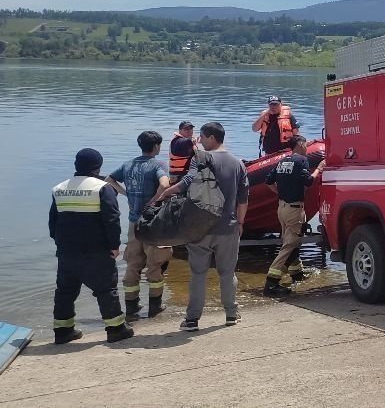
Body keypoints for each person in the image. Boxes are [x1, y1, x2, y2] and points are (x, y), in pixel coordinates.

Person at [155, 122, 249, 331]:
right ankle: (231, 315)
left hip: (199, 228)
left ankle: (192, 320)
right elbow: (243, 198)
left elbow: (188, 181)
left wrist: (168, 192)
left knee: (198, 274)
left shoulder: (201, 158)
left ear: (212, 138)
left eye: (203, 137)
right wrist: (240, 223)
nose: (200, 141)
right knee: (227, 272)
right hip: (228, 226)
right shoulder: (238, 163)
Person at [49, 148, 133, 344]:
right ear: (98, 167)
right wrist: (114, 245)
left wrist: (59, 243)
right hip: (96, 251)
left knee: (65, 291)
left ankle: (62, 332)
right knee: (106, 289)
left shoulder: (59, 189)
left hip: (67, 251)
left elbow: (53, 222)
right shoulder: (102, 188)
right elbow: (112, 219)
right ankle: (115, 329)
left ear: (76, 165)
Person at [106, 131, 172, 321]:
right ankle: (155, 307)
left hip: (134, 221)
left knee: (133, 263)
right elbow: (165, 184)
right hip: (153, 223)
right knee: (155, 263)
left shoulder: (128, 165)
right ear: (157, 147)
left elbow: (109, 179)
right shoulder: (158, 164)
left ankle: (132, 308)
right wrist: (154, 200)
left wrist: (125, 193)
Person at [263, 135, 325, 296]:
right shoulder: (301, 161)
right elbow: (308, 181)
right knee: (290, 245)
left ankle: (296, 273)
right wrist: (319, 168)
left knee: (292, 241)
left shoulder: (283, 161)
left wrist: (281, 194)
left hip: (282, 208)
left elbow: (268, 181)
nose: (306, 148)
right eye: (305, 144)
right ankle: (271, 282)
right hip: (294, 209)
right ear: (300, 144)